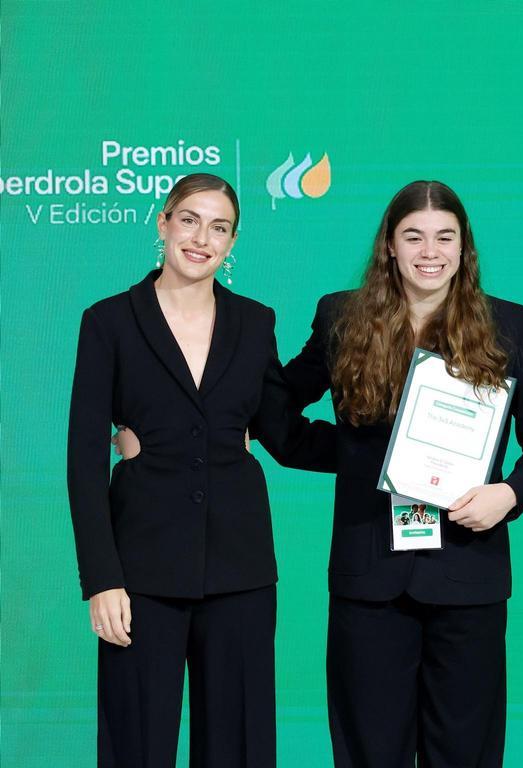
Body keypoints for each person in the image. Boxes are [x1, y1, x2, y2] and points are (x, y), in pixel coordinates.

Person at [281, 180, 523, 767]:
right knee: (369, 753)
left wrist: (509, 494)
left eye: (444, 237)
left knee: (465, 753)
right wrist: (360, 459)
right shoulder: (342, 316)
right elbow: (276, 410)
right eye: (414, 237)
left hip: (468, 569)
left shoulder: (509, 324)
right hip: (369, 574)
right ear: (390, 245)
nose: (430, 252)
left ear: (464, 246)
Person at [67, 173, 335, 767]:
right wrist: (102, 579)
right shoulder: (108, 321)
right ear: (163, 223)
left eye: (219, 228)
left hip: (240, 568)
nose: (201, 238)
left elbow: (283, 434)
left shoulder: (255, 321)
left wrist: (381, 453)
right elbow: (83, 460)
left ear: (232, 242)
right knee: (136, 745)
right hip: (140, 570)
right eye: (189, 220)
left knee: (239, 747)